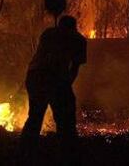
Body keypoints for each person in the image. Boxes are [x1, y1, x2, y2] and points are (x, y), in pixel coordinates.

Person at [20, 15, 87, 162]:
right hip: (48, 77)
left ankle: (25, 153)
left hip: (36, 76)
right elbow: (74, 68)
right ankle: (67, 154)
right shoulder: (78, 40)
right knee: (65, 120)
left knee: (35, 117)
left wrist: (65, 85)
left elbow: (71, 66)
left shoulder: (49, 33)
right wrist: (66, 86)